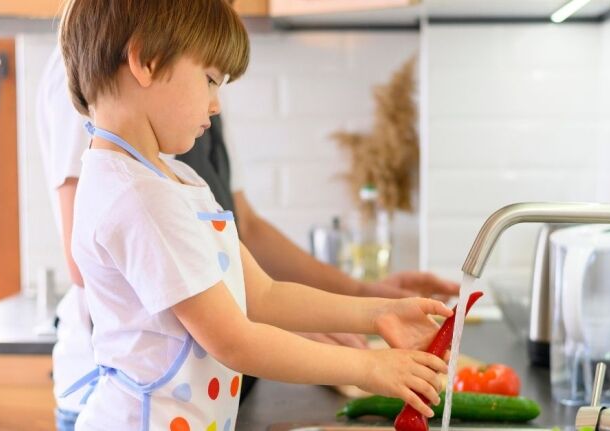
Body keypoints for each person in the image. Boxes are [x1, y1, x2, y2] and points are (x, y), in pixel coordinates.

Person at [54, 0, 453, 429]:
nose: (216, 104)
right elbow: (235, 341)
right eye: (209, 80)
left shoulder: (173, 179)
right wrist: (369, 368)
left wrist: (377, 313)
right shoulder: (139, 197)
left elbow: (262, 296)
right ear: (146, 61)